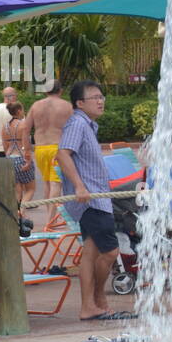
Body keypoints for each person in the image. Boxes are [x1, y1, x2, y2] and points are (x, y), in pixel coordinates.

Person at [57, 81, 134, 322]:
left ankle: (89, 307)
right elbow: (62, 154)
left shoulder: (88, 125)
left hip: (96, 198)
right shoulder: (77, 123)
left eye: (102, 96)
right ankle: (98, 300)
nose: (100, 101)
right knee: (110, 252)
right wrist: (79, 186)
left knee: (90, 254)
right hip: (91, 200)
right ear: (80, 103)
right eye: (94, 97)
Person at [25, 79, 74, 226]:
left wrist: (26, 151)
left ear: (45, 91)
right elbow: (75, 129)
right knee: (56, 184)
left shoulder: (35, 106)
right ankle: (50, 222)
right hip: (58, 148)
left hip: (40, 148)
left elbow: (25, 130)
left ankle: (50, 217)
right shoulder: (67, 106)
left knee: (47, 183)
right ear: (61, 91)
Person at [3, 101, 36, 215]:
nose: (24, 112)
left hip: (9, 158)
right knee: (30, 189)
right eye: (22, 110)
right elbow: (26, 145)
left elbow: (5, 145)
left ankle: (17, 214)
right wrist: (28, 159)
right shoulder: (24, 125)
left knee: (17, 191)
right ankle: (22, 210)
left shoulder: (5, 126)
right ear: (18, 111)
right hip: (21, 157)